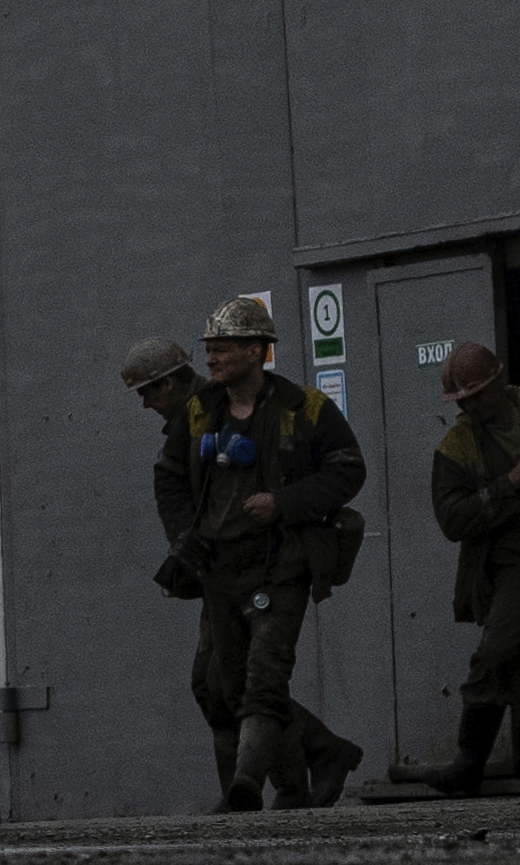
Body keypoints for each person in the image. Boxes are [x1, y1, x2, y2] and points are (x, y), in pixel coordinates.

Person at [152, 294, 368, 810]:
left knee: (265, 680)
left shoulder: (306, 408)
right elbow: (170, 478)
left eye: (222, 348)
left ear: (257, 351)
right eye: (209, 349)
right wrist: (186, 538)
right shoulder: (200, 412)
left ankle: (246, 785)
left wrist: (285, 502)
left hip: (282, 564)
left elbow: (348, 470)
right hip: (220, 569)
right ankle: (299, 784)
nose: (211, 358)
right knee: (227, 686)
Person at [385, 338, 520, 798]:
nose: (468, 407)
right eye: (460, 401)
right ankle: (469, 763)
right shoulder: (457, 446)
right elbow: (453, 519)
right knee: (496, 653)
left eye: (475, 396)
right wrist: (509, 485)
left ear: (499, 381)